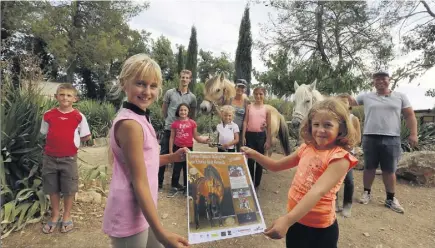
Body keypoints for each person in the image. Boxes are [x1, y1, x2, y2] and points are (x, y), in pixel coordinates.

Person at [241, 98, 358, 248]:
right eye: (316, 124)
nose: (320, 130)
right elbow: (276, 166)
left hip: (320, 230)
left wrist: (287, 220)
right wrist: (254, 154)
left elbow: (318, 191)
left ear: (341, 128)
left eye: (328, 125)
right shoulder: (306, 148)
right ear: (309, 126)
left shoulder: (340, 158)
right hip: (296, 222)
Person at [102, 54, 190, 248]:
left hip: (143, 210)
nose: (147, 91)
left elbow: (145, 163)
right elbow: (138, 182)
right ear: (125, 83)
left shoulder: (140, 118)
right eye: (141, 84)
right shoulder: (131, 125)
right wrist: (162, 234)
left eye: (153, 86)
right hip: (129, 213)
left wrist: (171, 157)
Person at [350, 71, 418, 214]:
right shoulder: (366, 96)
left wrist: (413, 134)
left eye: (383, 79)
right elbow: (349, 103)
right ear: (373, 82)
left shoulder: (400, 97)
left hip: (391, 138)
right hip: (370, 137)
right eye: (377, 79)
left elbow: (410, 115)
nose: (380, 81)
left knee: (389, 170)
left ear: (389, 80)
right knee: (369, 168)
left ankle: (390, 199)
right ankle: (366, 193)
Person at [40, 83, 91, 234]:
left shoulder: (79, 116)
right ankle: (55, 214)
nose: (65, 98)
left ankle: (67, 215)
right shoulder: (48, 115)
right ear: (56, 97)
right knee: (52, 187)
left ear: (75, 98)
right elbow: (45, 133)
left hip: (69, 158)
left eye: (69, 95)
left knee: (69, 189)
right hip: (49, 157)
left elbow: (86, 135)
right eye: (61, 94)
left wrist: (74, 141)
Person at [159, 70, 197, 191]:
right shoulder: (170, 93)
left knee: (184, 158)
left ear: (190, 80)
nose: (184, 79)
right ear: (179, 78)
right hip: (170, 129)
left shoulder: (192, 97)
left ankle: (180, 184)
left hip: (184, 132)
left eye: (187, 77)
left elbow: (192, 114)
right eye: (182, 77)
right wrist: (169, 121)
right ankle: (158, 182)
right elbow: (164, 109)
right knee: (165, 155)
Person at [167, 103, 209, 198]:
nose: (183, 112)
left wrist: (204, 141)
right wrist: (171, 152)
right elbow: (172, 138)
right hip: (177, 148)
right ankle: (174, 186)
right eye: (181, 110)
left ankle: (187, 187)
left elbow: (196, 137)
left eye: (185, 110)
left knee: (187, 168)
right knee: (177, 168)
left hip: (189, 148)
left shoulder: (192, 123)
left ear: (188, 111)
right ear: (178, 111)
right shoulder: (175, 124)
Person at [334, 93, 362, 218]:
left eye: (345, 102)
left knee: (349, 180)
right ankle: (334, 203)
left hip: (348, 154)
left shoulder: (353, 119)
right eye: (339, 101)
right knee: (333, 180)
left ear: (349, 105)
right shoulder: (333, 119)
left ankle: (347, 205)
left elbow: (358, 137)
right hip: (334, 154)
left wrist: (351, 145)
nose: (342, 104)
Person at [242, 86, 272, 195]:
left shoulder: (267, 109)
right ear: (253, 95)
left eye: (261, 94)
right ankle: (250, 184)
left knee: (259, 161)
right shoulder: (249, 107)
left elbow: (268, 126)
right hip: (250, 135)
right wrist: (243, 136)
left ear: (264, 95)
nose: (258, 96)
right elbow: (245, 122)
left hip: (261, 136)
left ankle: (257, 185)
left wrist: (268, 140)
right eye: (256, 94)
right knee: (249, 160)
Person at [229, 79, 249, 151]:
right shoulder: (230, 100)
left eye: (242, 87)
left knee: (240, 153)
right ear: (235, 87)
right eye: (238, 86)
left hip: (240, 132)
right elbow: (225, 114)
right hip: (229, 130)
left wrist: (243, 136)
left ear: (245, 89)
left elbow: (245, 120)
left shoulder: (246, 102)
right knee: (229, 151)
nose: (240, 89)